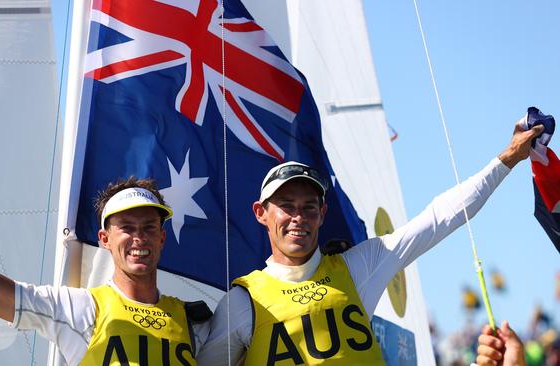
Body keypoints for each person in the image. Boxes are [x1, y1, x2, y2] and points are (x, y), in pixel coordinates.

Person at [196, 121, 545, 365]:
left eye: (308, 207)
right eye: (286, 206)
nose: (298, 216)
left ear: (322, 213)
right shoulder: (242, 303)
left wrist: (509, 158)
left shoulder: (359, 266)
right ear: (261, 213)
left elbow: (439, 218)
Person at [0, 125, 211, 365]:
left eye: (149, 227)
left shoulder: (194, 320)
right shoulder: (77, 308)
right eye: (126, 228)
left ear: (162, 237)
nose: (139, 237)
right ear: (105, 240)